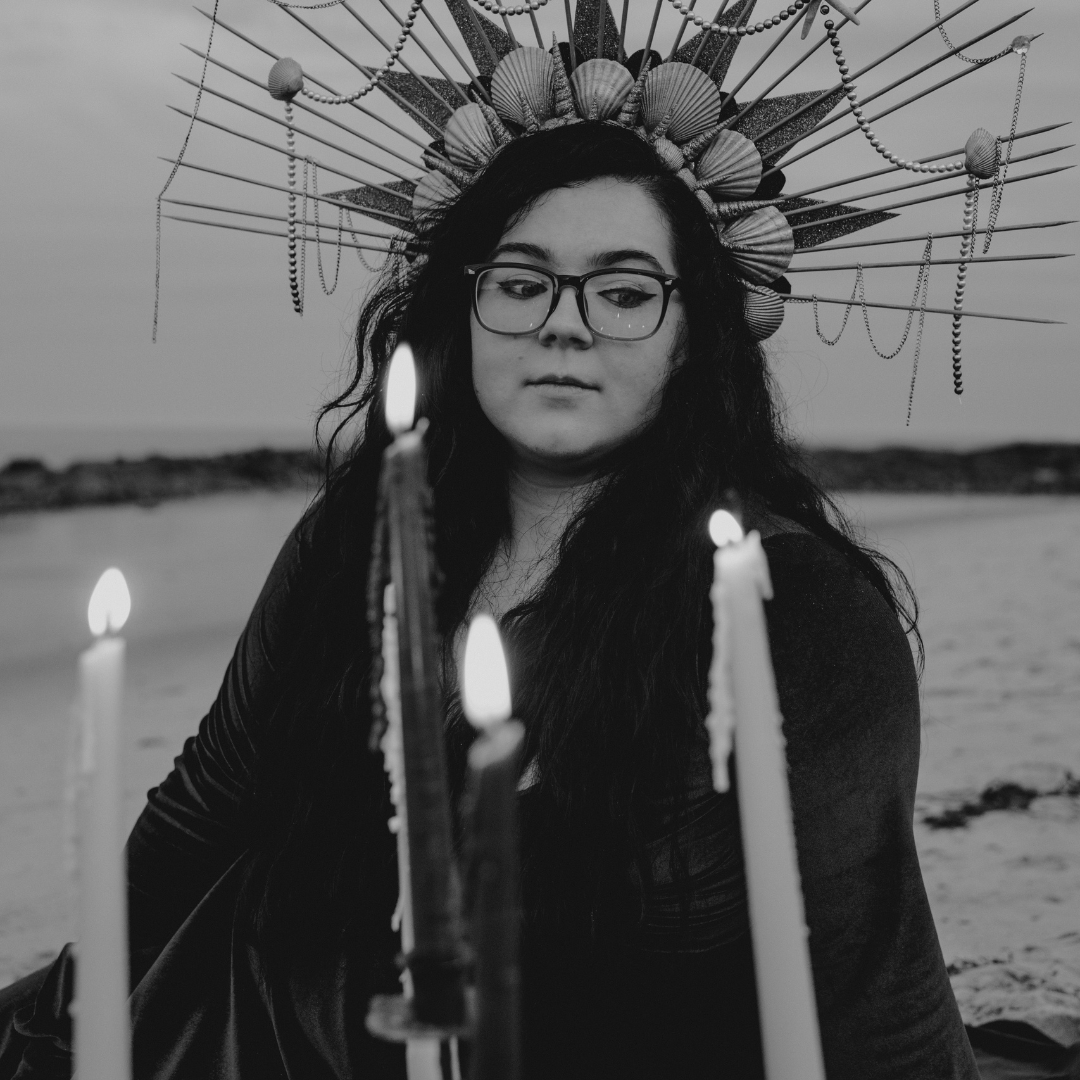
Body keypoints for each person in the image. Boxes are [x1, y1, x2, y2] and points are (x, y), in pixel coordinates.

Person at [0, 122, 981, 1079]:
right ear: (463, 313)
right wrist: (56, 1032)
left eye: (625, 291)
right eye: (520, 283)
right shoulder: (357, 542)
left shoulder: (793, 608)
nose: (565, 320)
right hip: (239, 1033)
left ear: (693, 338)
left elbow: (865, 974)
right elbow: (201, 814)